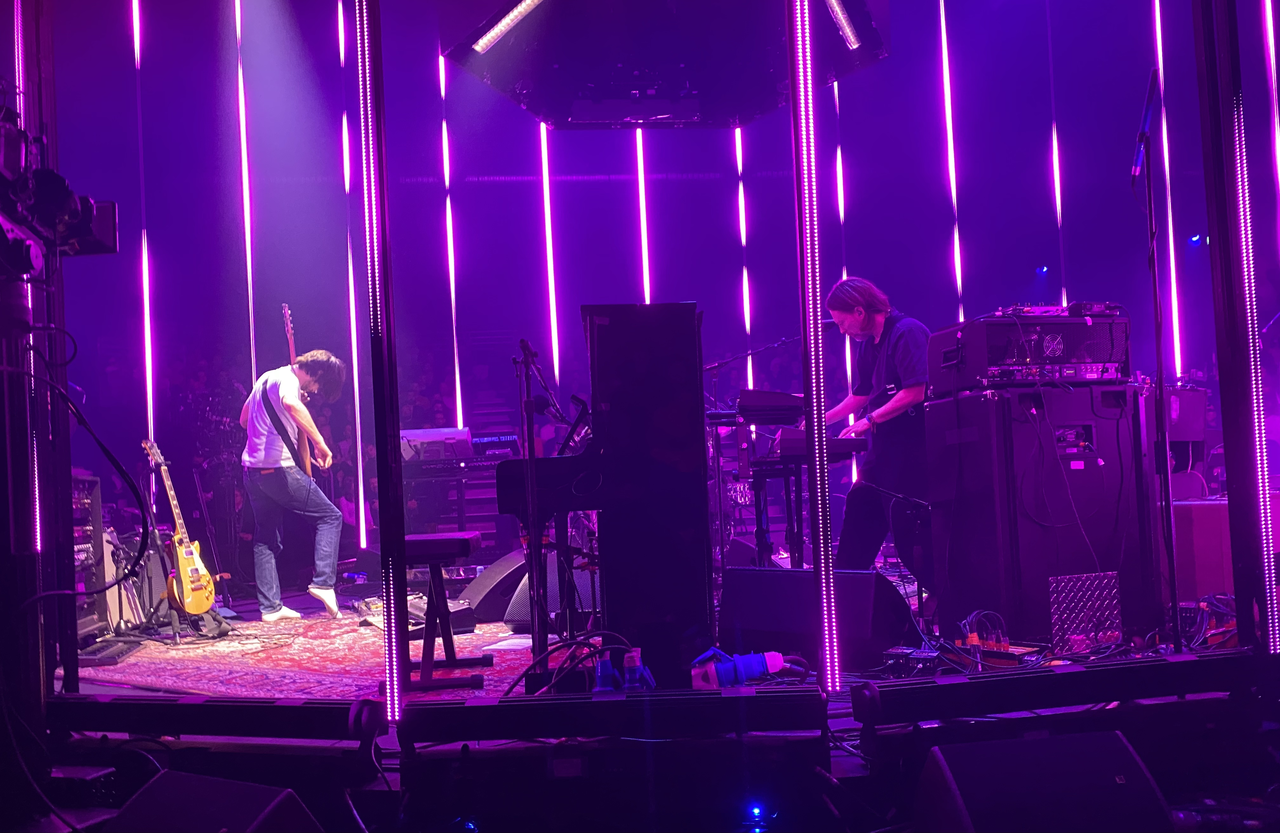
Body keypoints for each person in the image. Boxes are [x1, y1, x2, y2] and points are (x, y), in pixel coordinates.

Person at [822, 277, 933, 584]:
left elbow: (916, 391)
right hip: (884, 450)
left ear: (859, 311)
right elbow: (861, 395)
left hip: (912, 449)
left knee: (907, 532)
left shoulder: (907, 332)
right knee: (860, 508)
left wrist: (870, 420)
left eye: (842, 323)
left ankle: (939, 593)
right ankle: (848, 588)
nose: (841, 331)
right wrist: (823, 419)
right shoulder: (868, 346)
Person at [240, 349, 347, 621]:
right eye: (319, 384)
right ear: (317, 373)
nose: (316, 390)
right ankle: (323, 583)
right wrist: (320, 443)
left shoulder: (266, 378)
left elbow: (244, 419)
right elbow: (291, 404)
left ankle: (271, 608)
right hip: (278, 471)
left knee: (266, 538)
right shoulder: (289, 380)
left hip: (252, 471)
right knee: (330, 517)